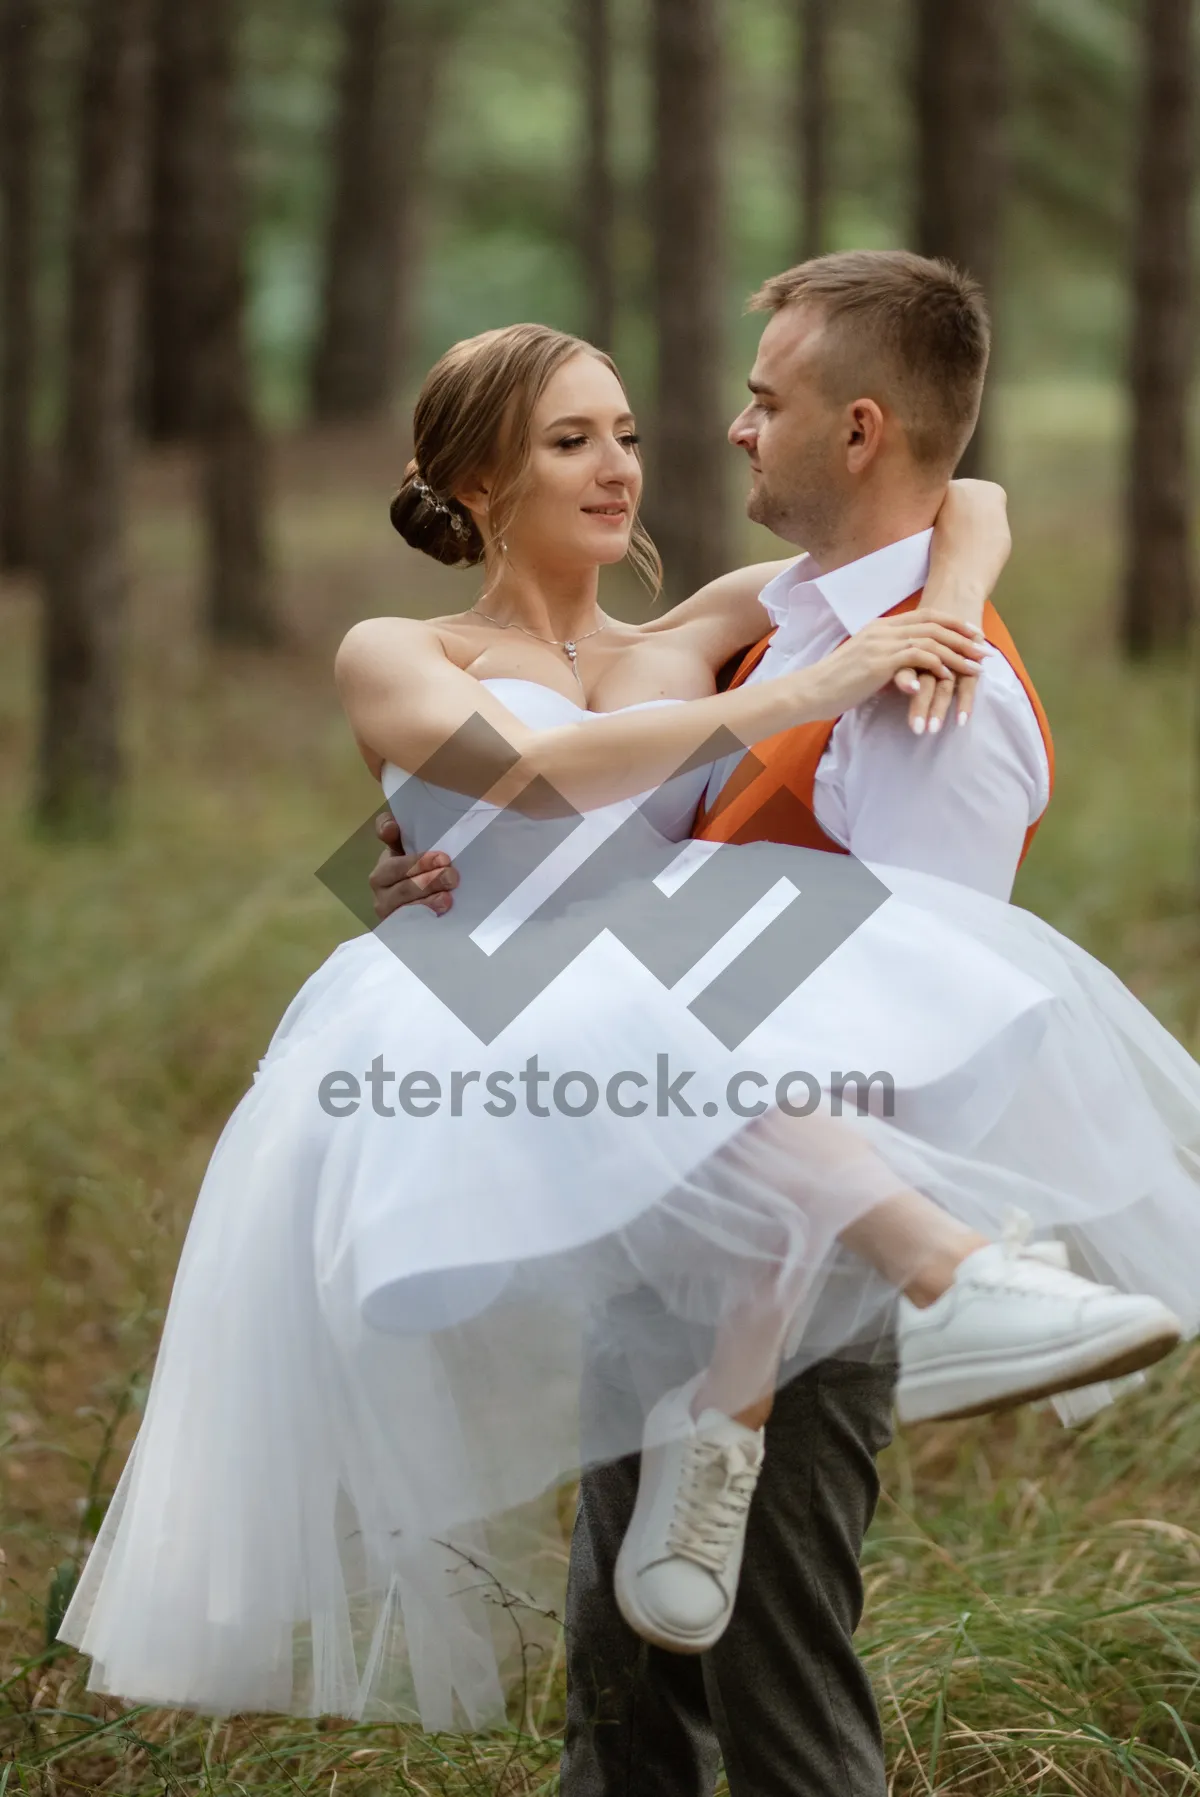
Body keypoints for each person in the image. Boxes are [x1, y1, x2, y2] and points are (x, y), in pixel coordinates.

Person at [57, 264, 1197, 1770]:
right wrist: (789, 701)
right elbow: (531, 791)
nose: (624, 468)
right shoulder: (402, 648)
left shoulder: (692, 633)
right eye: (567, 441)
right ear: (473, 481)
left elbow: (957, 500)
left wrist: (952, 620)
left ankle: (819, 1365)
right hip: (539, 1056)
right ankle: (938, 1279)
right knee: (627, 1660)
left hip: (685, 1079)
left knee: (713, 1648)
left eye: (627, 433)